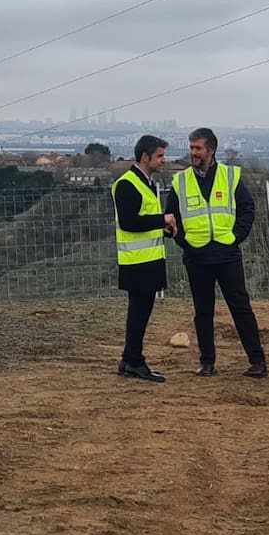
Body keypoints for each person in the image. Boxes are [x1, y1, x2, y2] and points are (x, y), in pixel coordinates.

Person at [166, 127, 267, 378]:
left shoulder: (230, 176)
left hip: (227, 254)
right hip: (196, 256)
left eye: (198, 148)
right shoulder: (180, 181)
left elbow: (247, 208)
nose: (193, 152)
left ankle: (257, 361)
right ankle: (207, 362)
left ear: (211, 150)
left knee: (240, 307)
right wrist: (184, 241)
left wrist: (235, 237)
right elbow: (171, 217)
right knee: (203, 312)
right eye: (191, 147)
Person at [112, 134, 177, 383]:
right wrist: (163, 219)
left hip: (148, 259)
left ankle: (130, 359)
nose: (163, 160)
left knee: (140, 312)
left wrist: (163, 229)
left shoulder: (145, 182)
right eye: (159, 156)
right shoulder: (127, 184)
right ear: (145, 157)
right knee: (139, 313)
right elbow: (129, 222)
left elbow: (143, 222)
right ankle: (135, 361)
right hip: (137, 261)